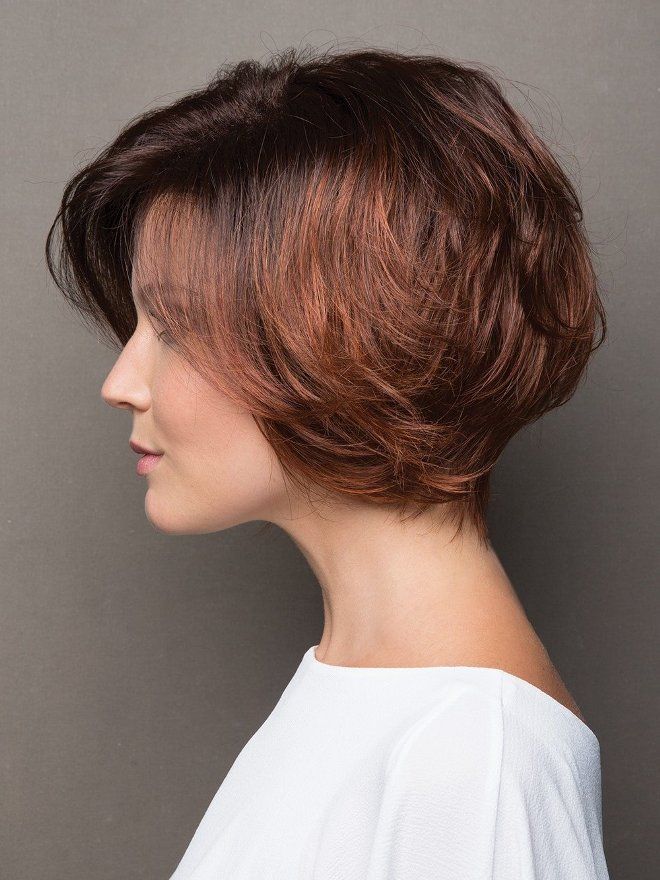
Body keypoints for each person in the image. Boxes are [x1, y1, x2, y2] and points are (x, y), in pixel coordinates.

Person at [45, 45, 610, 879]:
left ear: (353, 336)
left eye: (178, 328)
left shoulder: (467, 760)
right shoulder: (371, 699)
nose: (121, 383)